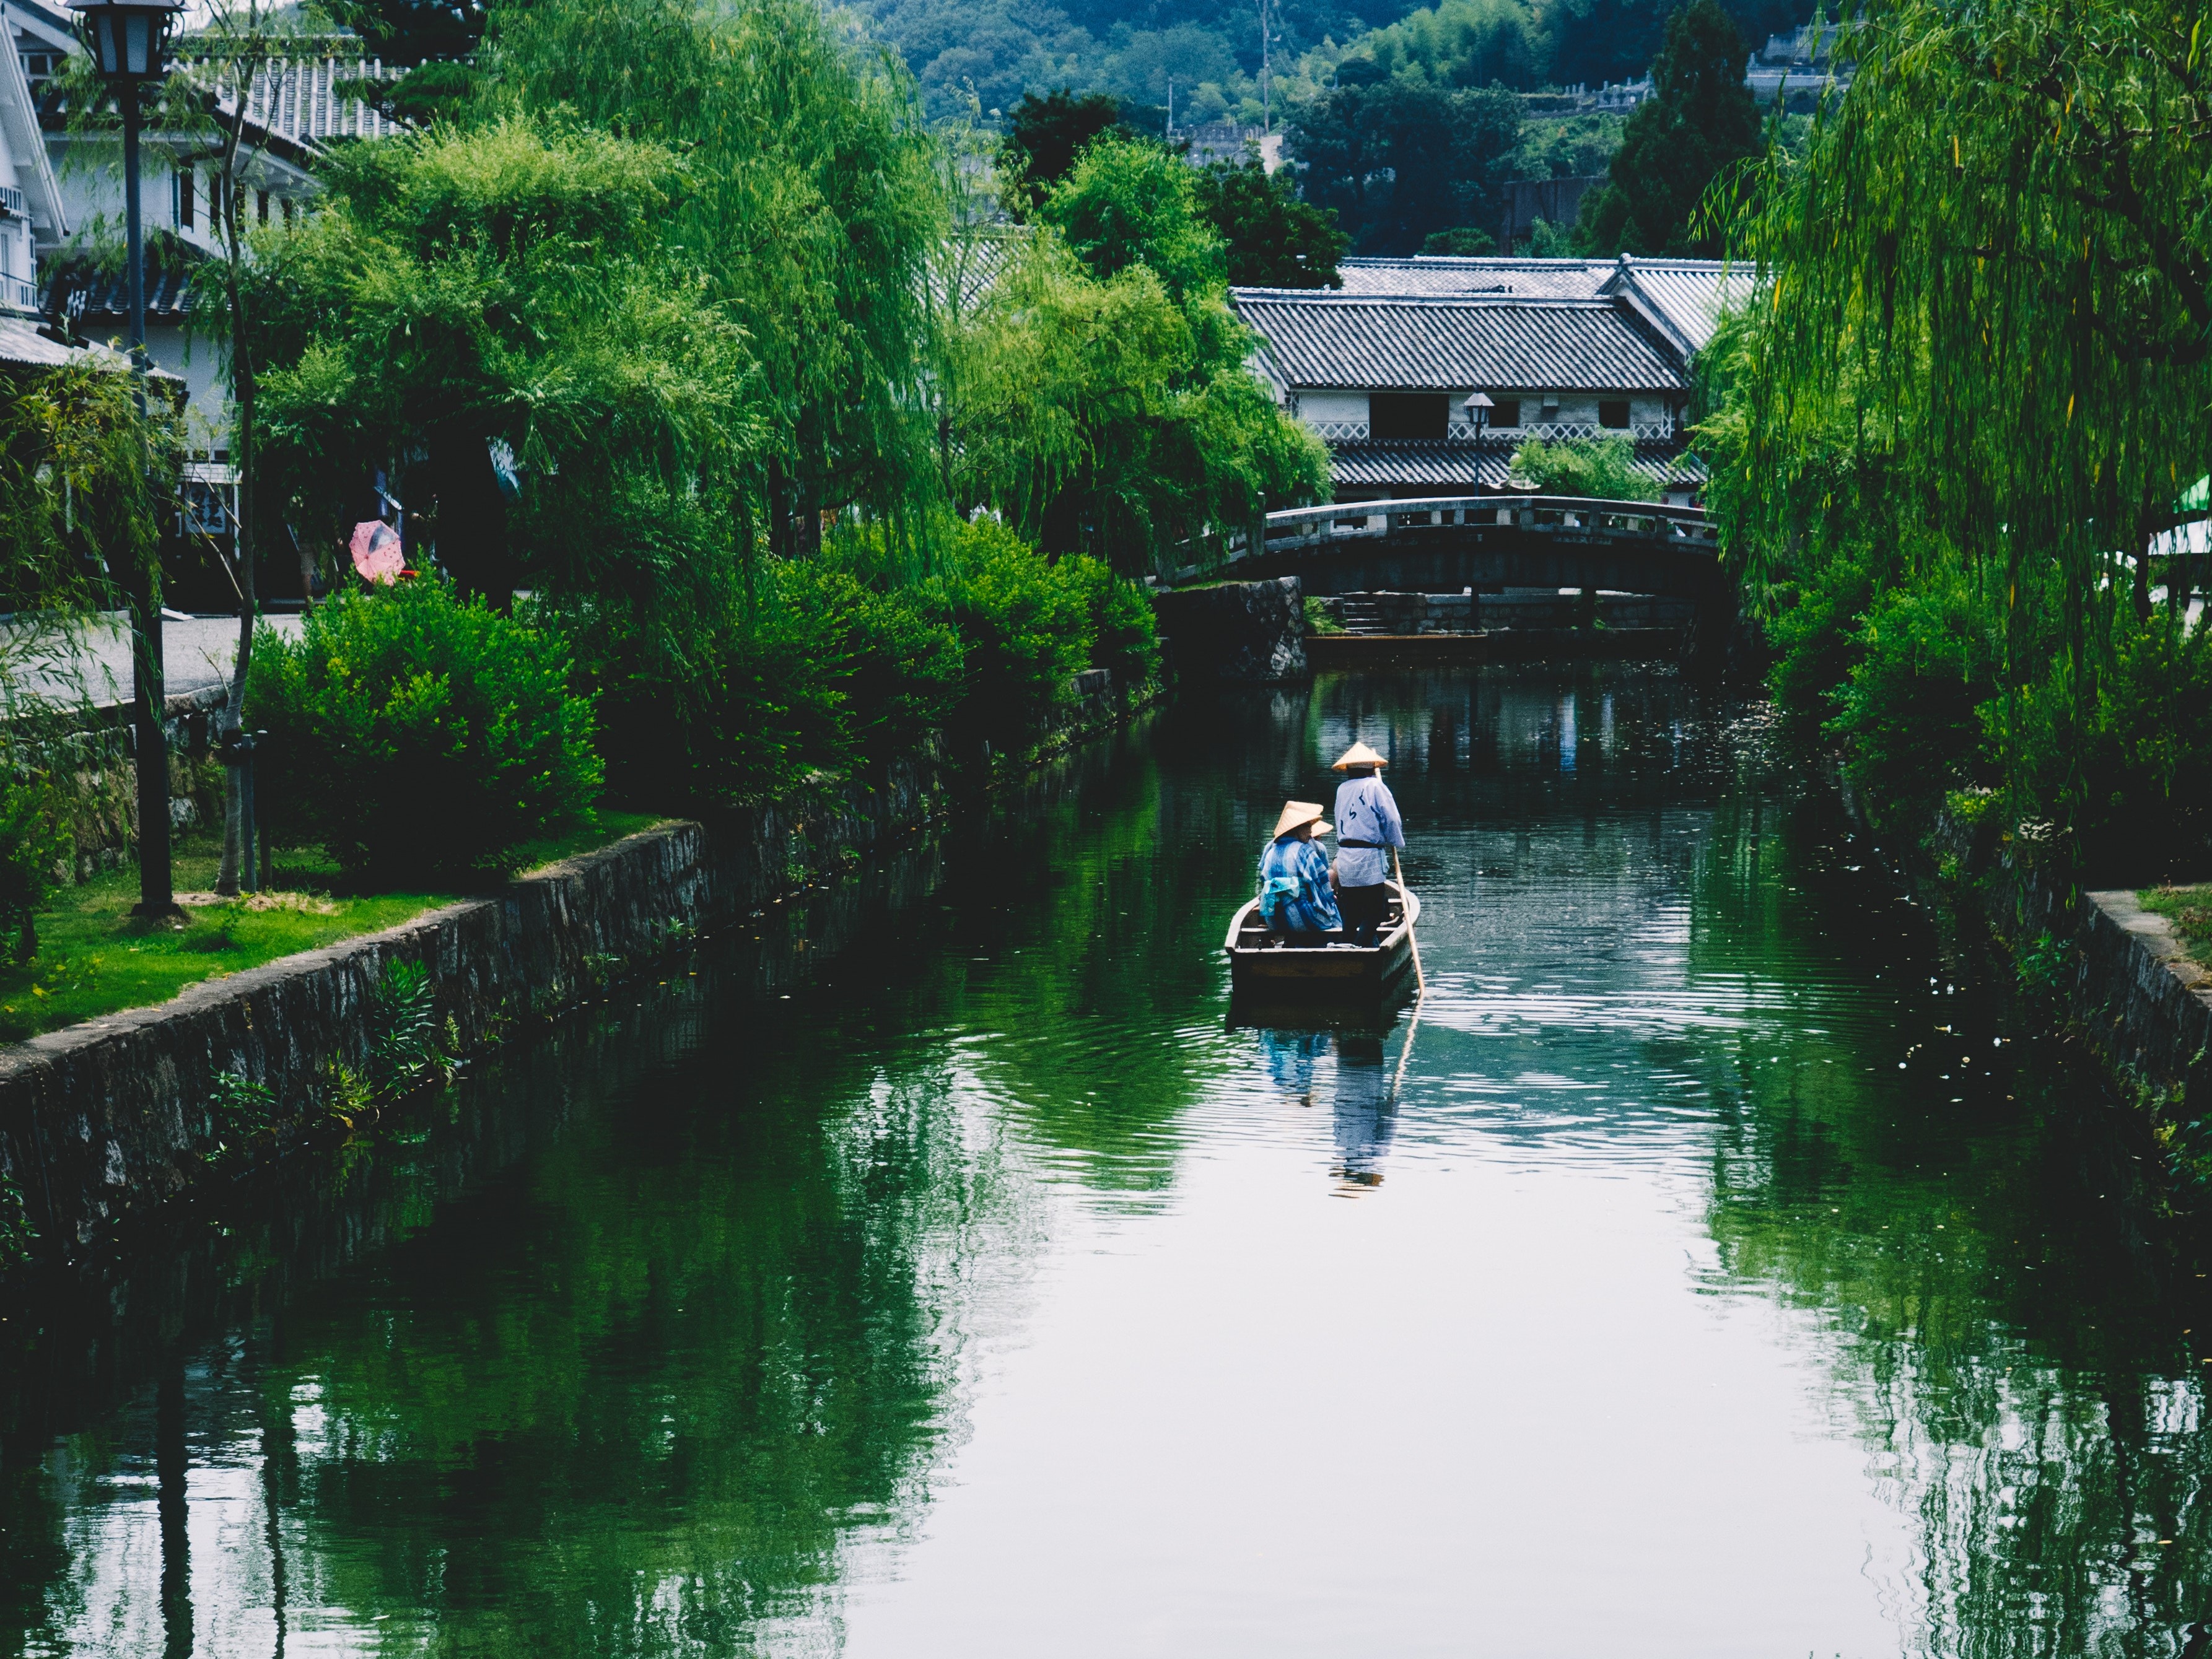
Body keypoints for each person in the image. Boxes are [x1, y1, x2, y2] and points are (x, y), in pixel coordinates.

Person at [1330, 741, 1404, 947]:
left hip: (1345, 856)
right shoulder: (1376, 786)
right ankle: (1360, 948)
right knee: (1375, 913)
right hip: (1368, 857)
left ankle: (1346, 947)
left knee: (1351, 913)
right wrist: (1395, 841)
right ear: (1372, 768)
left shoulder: (1342, 789)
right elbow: (1392, 820)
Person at [1257, 800, 1342, 941]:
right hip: (1303, 921)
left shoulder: (1271, 852)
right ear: (1297, 828)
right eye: (1308, 826)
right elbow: (1324, 890)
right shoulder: (1305, 851)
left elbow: (1265, 885)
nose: (1311, 832)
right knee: (1333, 916)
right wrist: (1333, 912)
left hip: (1274, 922)